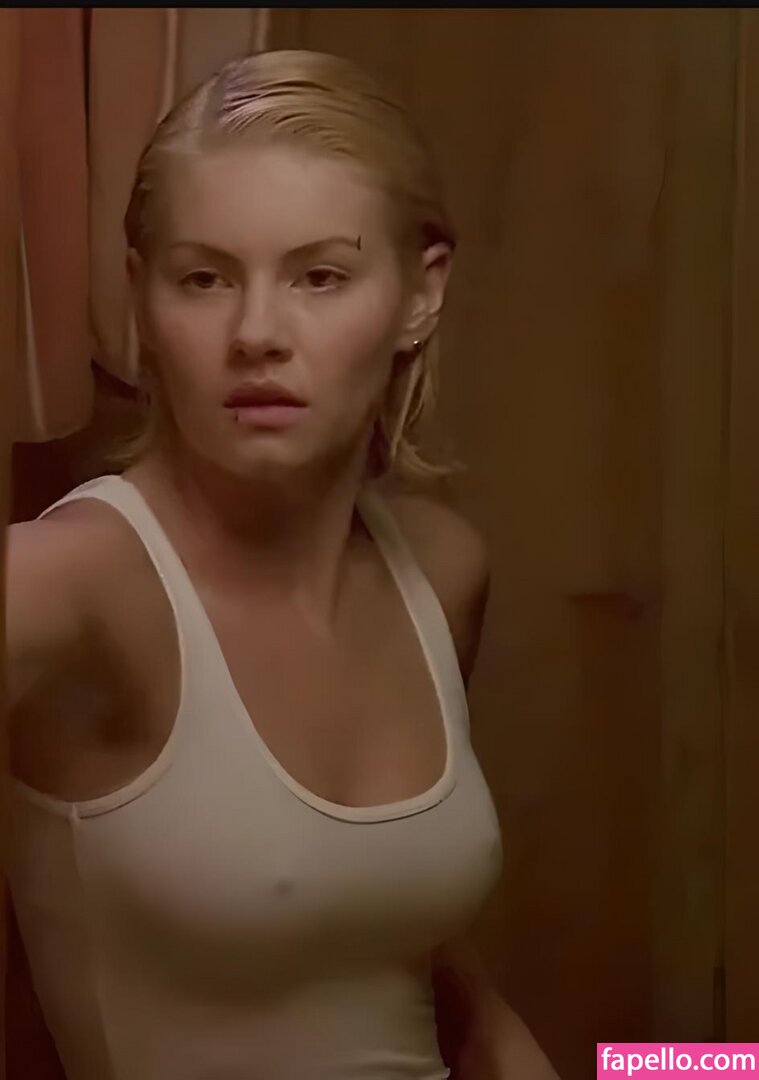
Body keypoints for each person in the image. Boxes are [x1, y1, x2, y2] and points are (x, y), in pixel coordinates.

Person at [3, 49, 559, 1080]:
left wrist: (678, 1067)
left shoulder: (441, 570)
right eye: (203, 279)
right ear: (141, 298)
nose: (257, 333)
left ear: (420, 294)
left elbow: (422, 978)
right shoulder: (68, 590)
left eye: (320, 276)